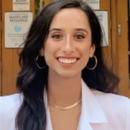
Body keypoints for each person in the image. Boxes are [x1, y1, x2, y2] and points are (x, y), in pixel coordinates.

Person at [0, 0, 130, 130]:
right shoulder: (5, 112)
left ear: (92, 48)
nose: (68, 48)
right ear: (41, 47)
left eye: (79, 36)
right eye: (56, 36)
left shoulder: (122, 112)